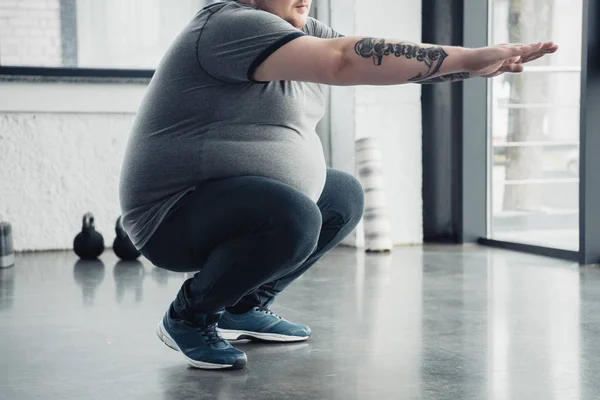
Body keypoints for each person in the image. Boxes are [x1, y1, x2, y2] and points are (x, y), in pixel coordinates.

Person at [119, 0, 558, 370]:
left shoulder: (307, 30)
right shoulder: (227, 24)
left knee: (342, 195)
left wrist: (471, 68)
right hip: (171, 217)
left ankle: (242, 304)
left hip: (234, 203)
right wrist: (467, 55)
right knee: (292, 216)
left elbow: (374, 57)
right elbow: (342, 60)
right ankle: (189, 317)